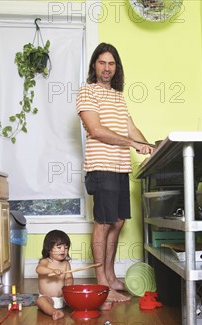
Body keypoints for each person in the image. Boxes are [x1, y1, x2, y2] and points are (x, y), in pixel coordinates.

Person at [76, 42, 153, 303]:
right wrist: (133, 144)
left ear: (116, 68)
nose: (106, 68)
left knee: (118, 222)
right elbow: (96, 130)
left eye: (111, 63)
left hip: (120, 167)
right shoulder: (87, 92)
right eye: (102, 62)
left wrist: (149, 147)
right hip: (102, 166)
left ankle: (110, 276)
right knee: (104, 222)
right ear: (94, 65)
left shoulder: (118, 97)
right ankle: (101, 286)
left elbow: (131, 129)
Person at [35, 230, 73, 320]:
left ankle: (93, 306)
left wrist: (69, 283)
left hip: (63, 298)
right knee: (40, 301)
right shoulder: (45, 261)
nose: (63, 250)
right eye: (59, 247)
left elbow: (69, 277)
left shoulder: (66, 264)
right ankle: (54, 312)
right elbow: (39, 269)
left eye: (66, 248)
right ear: (49, 249)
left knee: (77, 298)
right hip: (48, 298)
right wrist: (52, 270)